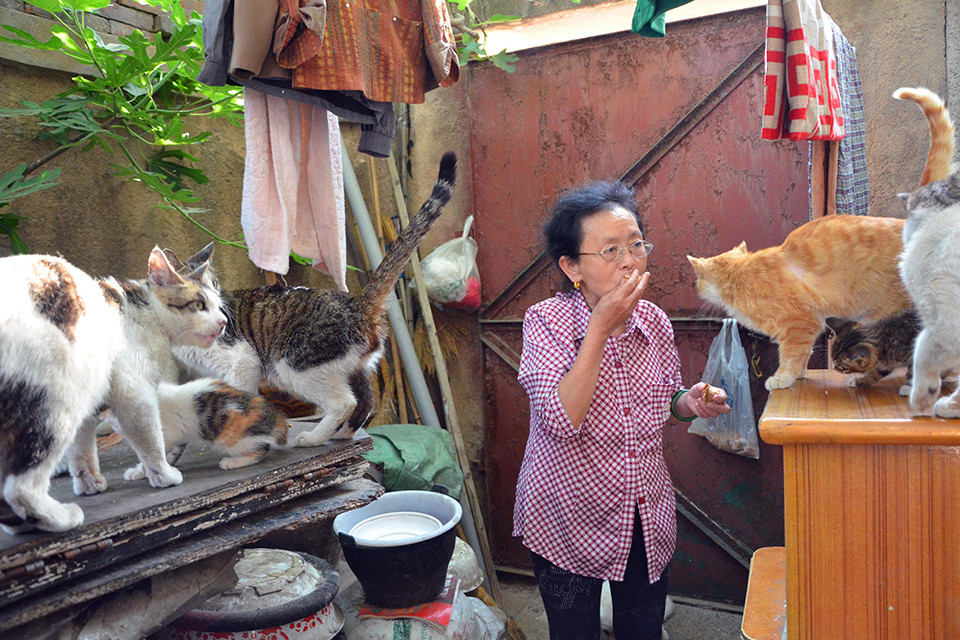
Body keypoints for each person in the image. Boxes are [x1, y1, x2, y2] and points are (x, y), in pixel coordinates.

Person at [513, 180, 731, 640]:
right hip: (565, 516)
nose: (630, 261)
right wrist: (599, 329)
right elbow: (559, 418)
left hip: (641, 511)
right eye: (610, 250)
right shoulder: (545, 323)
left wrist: (687, 402)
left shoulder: (653, 321)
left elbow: (665, 400)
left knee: (643, 629)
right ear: (572, 267)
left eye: (636, 245)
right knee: (574, 634)